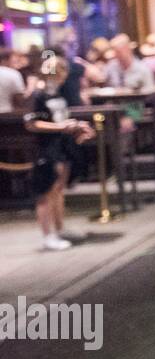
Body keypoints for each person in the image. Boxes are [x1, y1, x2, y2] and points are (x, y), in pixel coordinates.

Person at [24, 57, 95, 250]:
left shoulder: (56, 93)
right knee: (46, 191)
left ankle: (59, 227)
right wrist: (60, 126)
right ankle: (48, 234)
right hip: (46, 147)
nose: (63, 79)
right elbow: (32, 123)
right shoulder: (38, 95)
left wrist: (76, 125)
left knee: (58, 189)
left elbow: (61, 116)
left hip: (62, 145)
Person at [0, 48, 30, 113]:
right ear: (4, 60)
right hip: (7, 115)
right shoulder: (13, 73)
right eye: (13, 60)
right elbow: (19, 98)